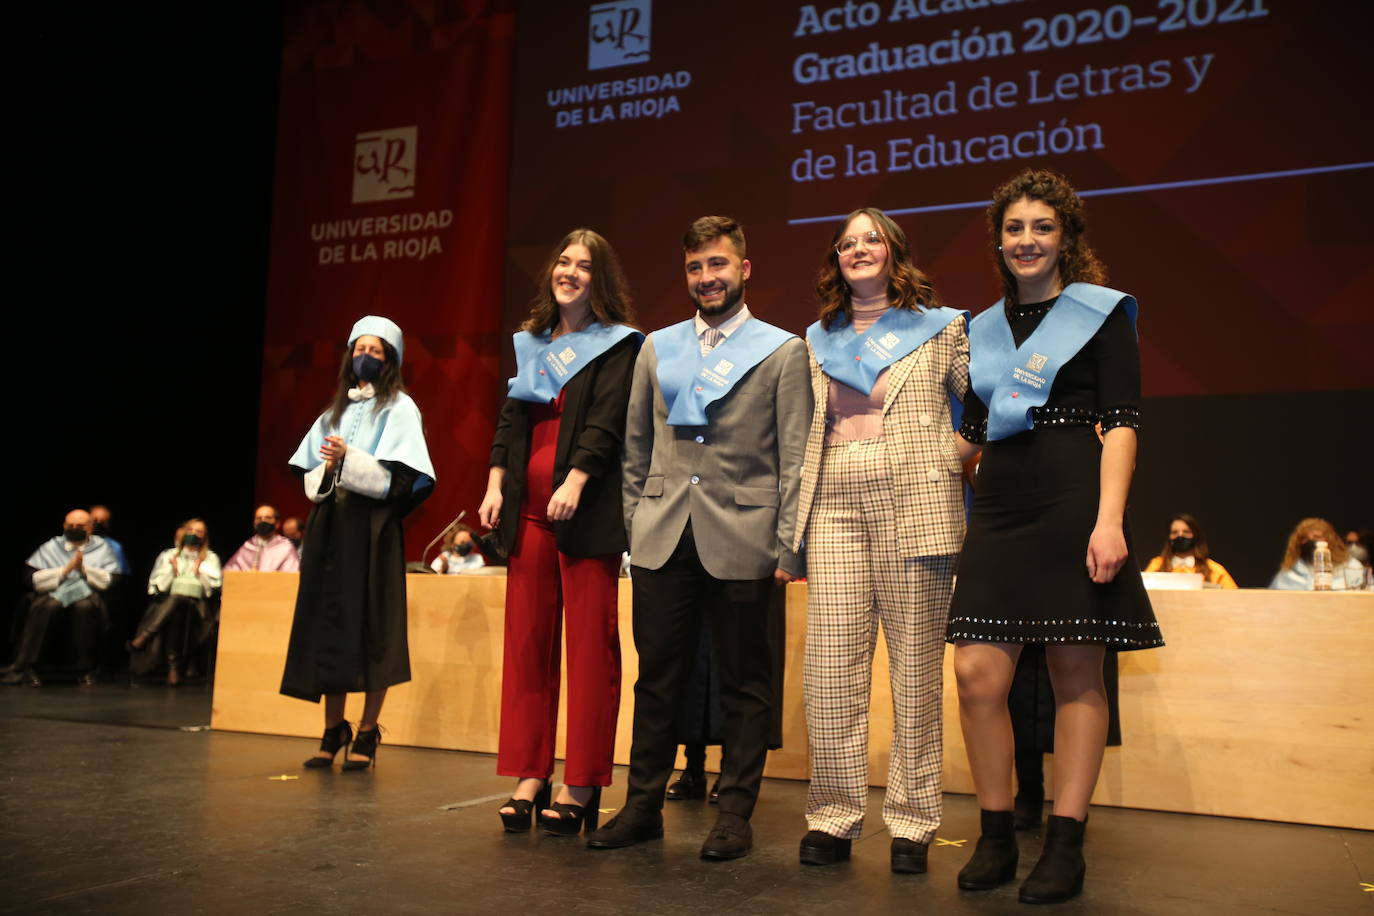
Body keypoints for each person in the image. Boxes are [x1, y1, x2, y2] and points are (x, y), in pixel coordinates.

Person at [947, 169, 1162, 904]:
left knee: (1078, 676)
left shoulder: (1102, 316)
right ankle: (998, 837)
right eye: (1014, 228)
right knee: (978, 676)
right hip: (1001, 507)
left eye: (1042, 227)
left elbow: (1123, 425)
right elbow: (972, 436)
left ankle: (1065, 844)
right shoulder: (979, 331)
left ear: (1066, 238)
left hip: (1075, 498)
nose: (1027, 240)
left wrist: (1109, 522)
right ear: (998, 240)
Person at [586, 216, 811, 860]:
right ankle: (642, 806)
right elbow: (636, 447)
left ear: (744, 269)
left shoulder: (782, 349)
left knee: (745, 680)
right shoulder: (658, 346)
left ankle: (735, 811)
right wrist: (636, 523)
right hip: (663, 535)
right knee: (657, 678)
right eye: (695, 267)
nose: (706, 278)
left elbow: (794, 456)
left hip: (746, 535)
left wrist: (788, 546)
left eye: (718, 264)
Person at [794, 208, 970, 873]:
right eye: (847, 242)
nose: (859, 249)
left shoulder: (944, 327)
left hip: (915, 503)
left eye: (872, 239)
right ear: (835, 259)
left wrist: (952, 457)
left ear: (895, 252)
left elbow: (982, 405)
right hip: (833, 501)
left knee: (916, 667)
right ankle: (833, 816)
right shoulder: (814, 338)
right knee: (831, 667)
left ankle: (913, 822)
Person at [480, 229, 641, 835]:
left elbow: (606, 423)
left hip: (587, 511)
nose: (570, 272)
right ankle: (529, 773)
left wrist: (574, 480)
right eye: (563, 262)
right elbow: (510, 418)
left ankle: (581, 781)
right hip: (525, 513)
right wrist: (497, 481)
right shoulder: (535, 343)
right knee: (528, 647)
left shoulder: (618, 345)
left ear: (600, 280)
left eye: (583, 266)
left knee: (589, 651)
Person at [280, 316, 435, 770]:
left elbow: (405, 479)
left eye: (376, 350)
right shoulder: (336, 411)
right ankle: (333, 728)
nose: (366, 357)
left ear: (390, 360)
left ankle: (367, 731)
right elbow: (305, 468)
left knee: (373, 627)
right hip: (331, 525)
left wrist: (352, 460)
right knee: (331, 623)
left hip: (372, 530)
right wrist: (330, 469)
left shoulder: (401, 408)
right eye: (359, 348)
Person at [4, 510, 123, 686]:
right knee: (49, 606)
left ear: (90, 527)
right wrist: (64, 571)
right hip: (53, 592)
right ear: (64, 526)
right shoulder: (51, 546)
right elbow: (32, 578)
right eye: (71, 525)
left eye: (80, 526)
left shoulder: (102, 548)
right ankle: (29, 668)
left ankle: (86, 670)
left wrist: (83, 569)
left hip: (87, 593)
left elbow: (110, 579)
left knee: (84, 608)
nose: (75, 529)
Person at [129, 518, 222, 685]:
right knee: (176, 606)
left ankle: (146, 637)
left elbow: (213, 589)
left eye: (199, 532)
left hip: (198, 606)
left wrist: (199, 570)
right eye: (190, 530)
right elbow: (156, 586)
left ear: (205, 537)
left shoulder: (210, 558)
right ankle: (173, 669)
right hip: (170, 603)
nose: (194, 534)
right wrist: (172, 571)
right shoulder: (169, 555)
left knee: (178, 601)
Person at [1269, 517, 1366, 590]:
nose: (1310, 541)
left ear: (1330, 540)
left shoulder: (1352, 568)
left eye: (1316, 537)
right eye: (1304, 538)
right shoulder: (1289, 572)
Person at [1143, 513, 1237, 588]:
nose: (1180, 536)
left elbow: (1234, 598)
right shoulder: (1156, 565)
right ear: (1169, 538)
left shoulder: (1214, 569)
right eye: (1175, 532)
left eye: (1186, 532)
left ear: (1195, 536)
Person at [224, 505, 301, 572]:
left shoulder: (286, 547)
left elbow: (292, 574)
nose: (263, 521)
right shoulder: (248, 546)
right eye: (259, 518)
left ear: (277, 523)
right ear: (254, 523)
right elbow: (229, 572)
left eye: (268, 518)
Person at [89, 505, 131, 574]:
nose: (98, 524)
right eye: (95, 520)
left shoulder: (115, 547)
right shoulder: (75, 542)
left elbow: (121, 573)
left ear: (108, 524)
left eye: (102, 522)